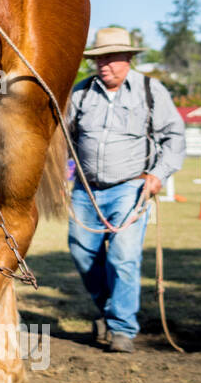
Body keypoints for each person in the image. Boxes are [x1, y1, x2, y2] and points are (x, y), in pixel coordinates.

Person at [66, 27, 186, 354]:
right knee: (81, 251)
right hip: (86, 190)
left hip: (131, 186)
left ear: (129, 59)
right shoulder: (81, 93)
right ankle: (110, 310)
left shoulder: (151, 90)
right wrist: (64, 171)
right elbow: (65, 138)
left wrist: (159, 174)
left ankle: (121, 328)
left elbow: (174, 138)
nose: (103, 65)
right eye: (98, 59)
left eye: (110, 58)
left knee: (123, 256)